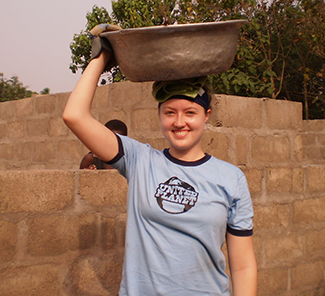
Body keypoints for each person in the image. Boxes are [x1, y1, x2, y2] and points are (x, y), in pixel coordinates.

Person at [63, 26, 257, 296]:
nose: (179, 122)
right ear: (159, 114)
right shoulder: (139, 160)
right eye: (170, 112)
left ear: (206, 115)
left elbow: (243, 266)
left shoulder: (231, 178)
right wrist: (103, 56)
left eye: (190, 112)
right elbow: (74, 116)